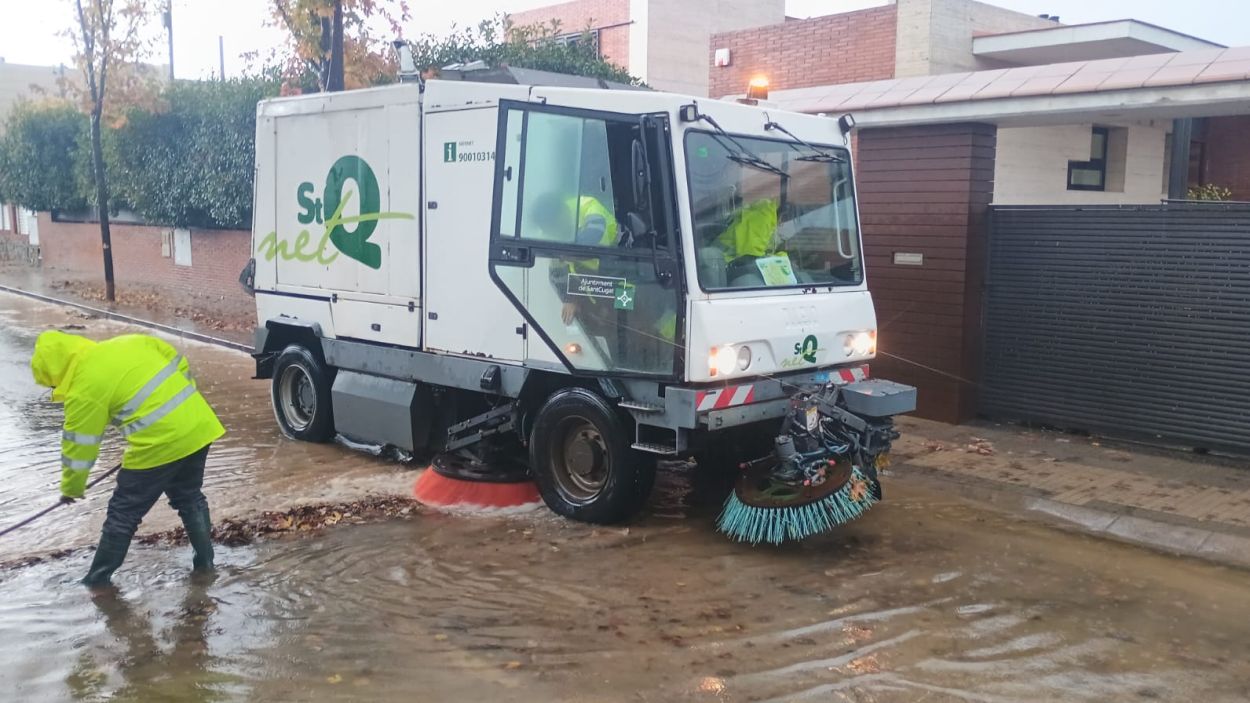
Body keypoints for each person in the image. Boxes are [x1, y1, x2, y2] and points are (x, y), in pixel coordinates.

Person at [31, 331, 225, 588]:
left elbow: (80, 446)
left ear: (56, 373)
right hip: (199, 424)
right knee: (189, 496)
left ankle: (97, 579)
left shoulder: (84, 387)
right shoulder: (130, 342)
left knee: (123, 513)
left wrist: (71, 489)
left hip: (159, 444)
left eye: (51, 385)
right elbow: (178, 361)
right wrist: (180, 407)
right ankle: (205, 563)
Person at [531, 192, 618, 325]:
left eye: (556, 226)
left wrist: (566, 253)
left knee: (634, 315)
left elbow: (594, 234)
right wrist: (570, 299)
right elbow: (557, 274)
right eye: (550, 230)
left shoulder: (588, 206)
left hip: (624, 270)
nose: (556, 233)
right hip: (602, 285)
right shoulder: (549, 232)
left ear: (564, 211)